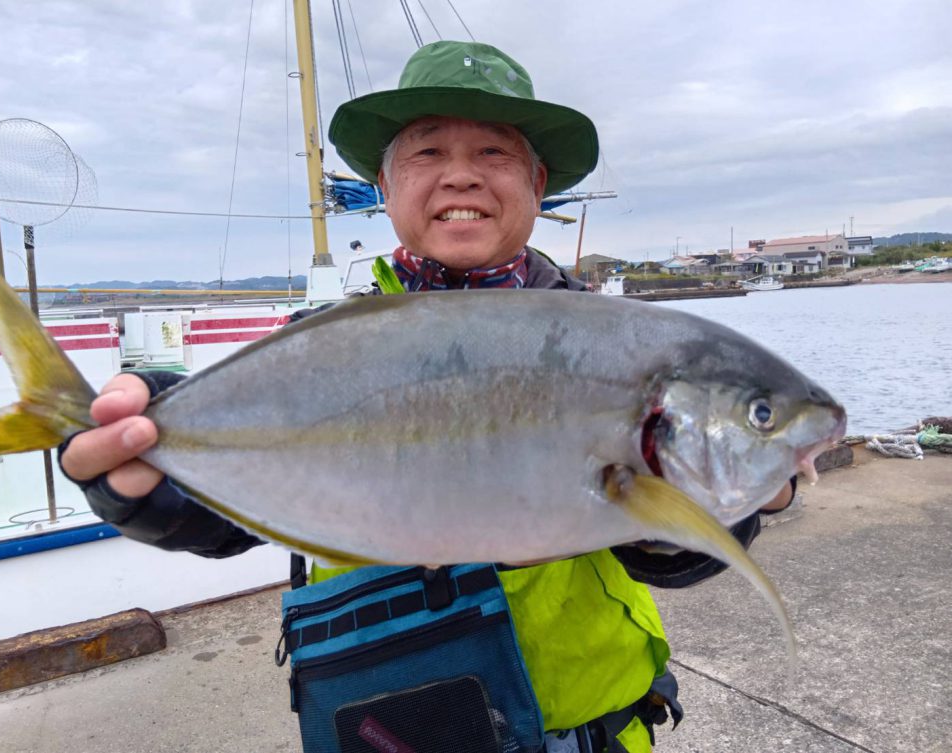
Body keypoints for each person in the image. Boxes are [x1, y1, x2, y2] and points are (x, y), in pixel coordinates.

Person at [60, 41, 795, 753]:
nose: (461, 177)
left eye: (493, 153)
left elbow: (668, 559)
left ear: (538, 183)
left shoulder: (616, 344)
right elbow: (227, 523)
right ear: (386, 187)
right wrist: (145, 463)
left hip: (594, 732)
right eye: (427, 152)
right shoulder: (321, 343)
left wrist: (737, 491)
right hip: (392, 731)